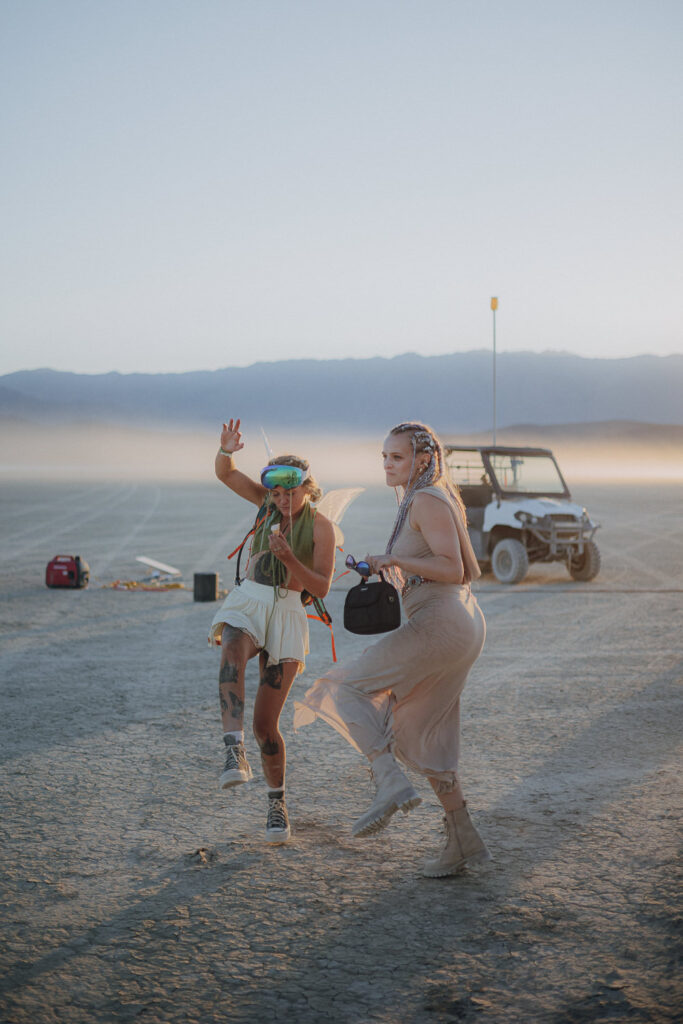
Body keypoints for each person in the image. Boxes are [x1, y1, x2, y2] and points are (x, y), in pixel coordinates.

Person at [294, 421, 490, 877]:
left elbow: (455, 568)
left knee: (347, 690)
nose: (387, 464)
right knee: (418, 724)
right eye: (384, 456)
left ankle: (388, 783)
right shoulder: (425, 496)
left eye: (396, 457)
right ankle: (463, 839)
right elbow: (457, 568)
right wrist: (389, 567)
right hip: (456, 622)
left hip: (442, 623)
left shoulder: (425, 498)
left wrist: (398, 560)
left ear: (422, 459)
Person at [209, 418, 336, 844]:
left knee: (267, 724)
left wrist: (289, 559)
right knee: (230, 649)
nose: (282, 499)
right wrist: (226, 449)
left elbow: (320, 587)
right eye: (276, 491)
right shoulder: (265, 505)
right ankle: (232, 750)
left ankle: (277, 803)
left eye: (290, 491)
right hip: (251, 600)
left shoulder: (321, 527)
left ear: (307, 487)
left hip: (287, 614)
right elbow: (225, 474)